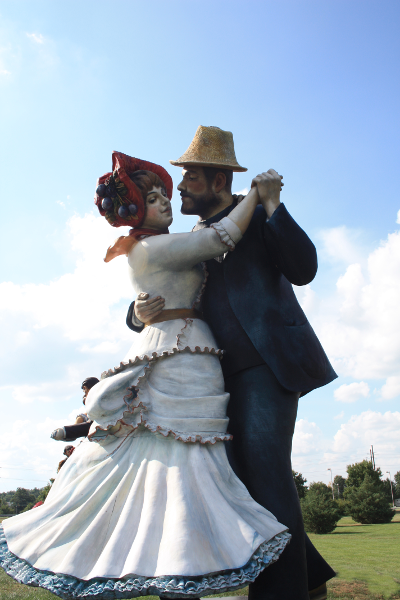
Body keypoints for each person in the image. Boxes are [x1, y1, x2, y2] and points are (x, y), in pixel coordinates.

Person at [0, 151, 291, 600]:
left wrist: (138, 312)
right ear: (135, 211)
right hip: (177, 354)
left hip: (193, 350)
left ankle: (189, 563)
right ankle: (171, 569)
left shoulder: (160, 244)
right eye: (154, 199)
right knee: (174, 463)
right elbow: (219, 241)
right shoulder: (150, 246)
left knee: (192, 465)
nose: (166, 203)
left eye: (164, 196)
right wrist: (254, 194)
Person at [129, 126, 338, 600]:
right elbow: (159, 288)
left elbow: (304, 269)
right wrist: (136, 311)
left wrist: (273, 206)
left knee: (266, 475)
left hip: (266, 367)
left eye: (191, 178)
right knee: (237, 484)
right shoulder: (195, 239)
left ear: (219, 182)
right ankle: (310, 577)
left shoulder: (258, 217)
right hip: (211, 377)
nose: (180, 187)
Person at [50, 376, 99, 441]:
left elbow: (90, 425)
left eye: (85, 391)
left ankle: (65, 433)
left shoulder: (99, 403)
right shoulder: (84, 416)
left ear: (85, 388)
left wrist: (65, 432)